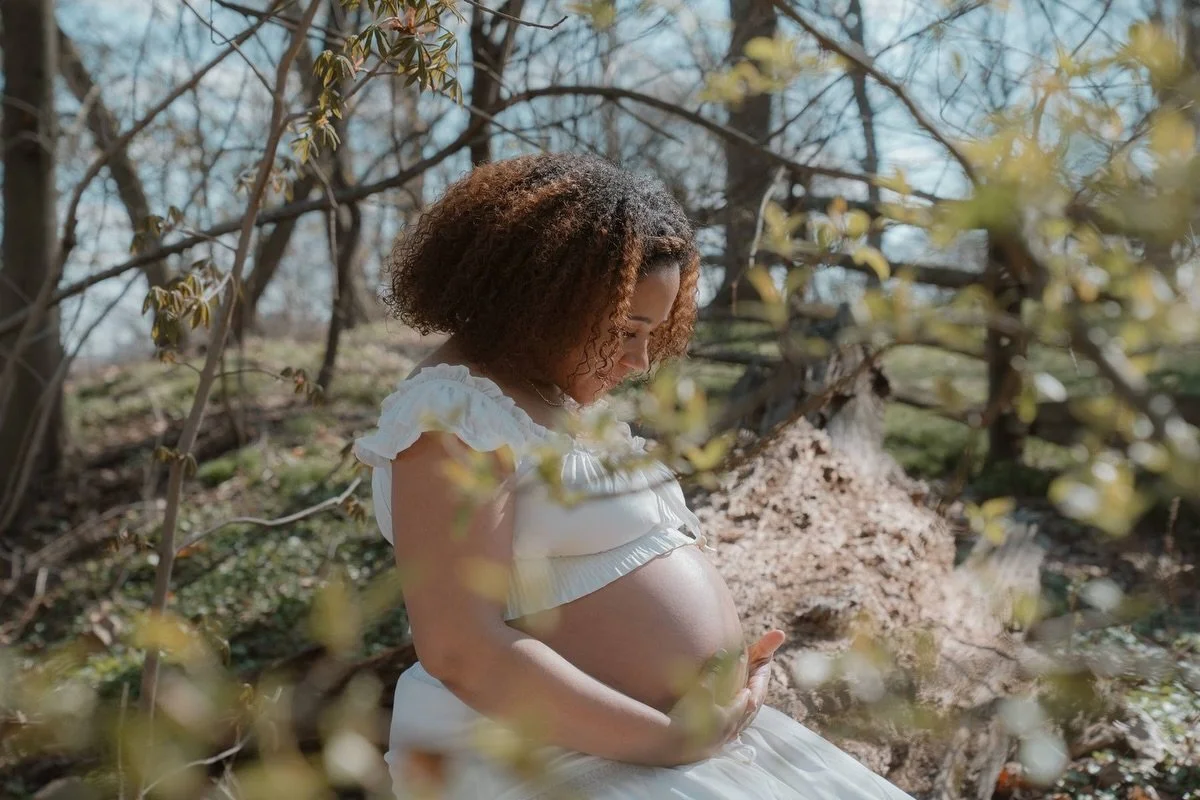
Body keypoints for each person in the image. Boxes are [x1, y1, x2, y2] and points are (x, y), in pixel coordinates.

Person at [354, 152, 913, 799]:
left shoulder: (541, 399)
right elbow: (460, 648)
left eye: (652, 331)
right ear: (540, 299)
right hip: (566, 764)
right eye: (626, 329)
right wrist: (670, 738)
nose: (640, 359)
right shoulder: (453, 411)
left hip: (677, 753)